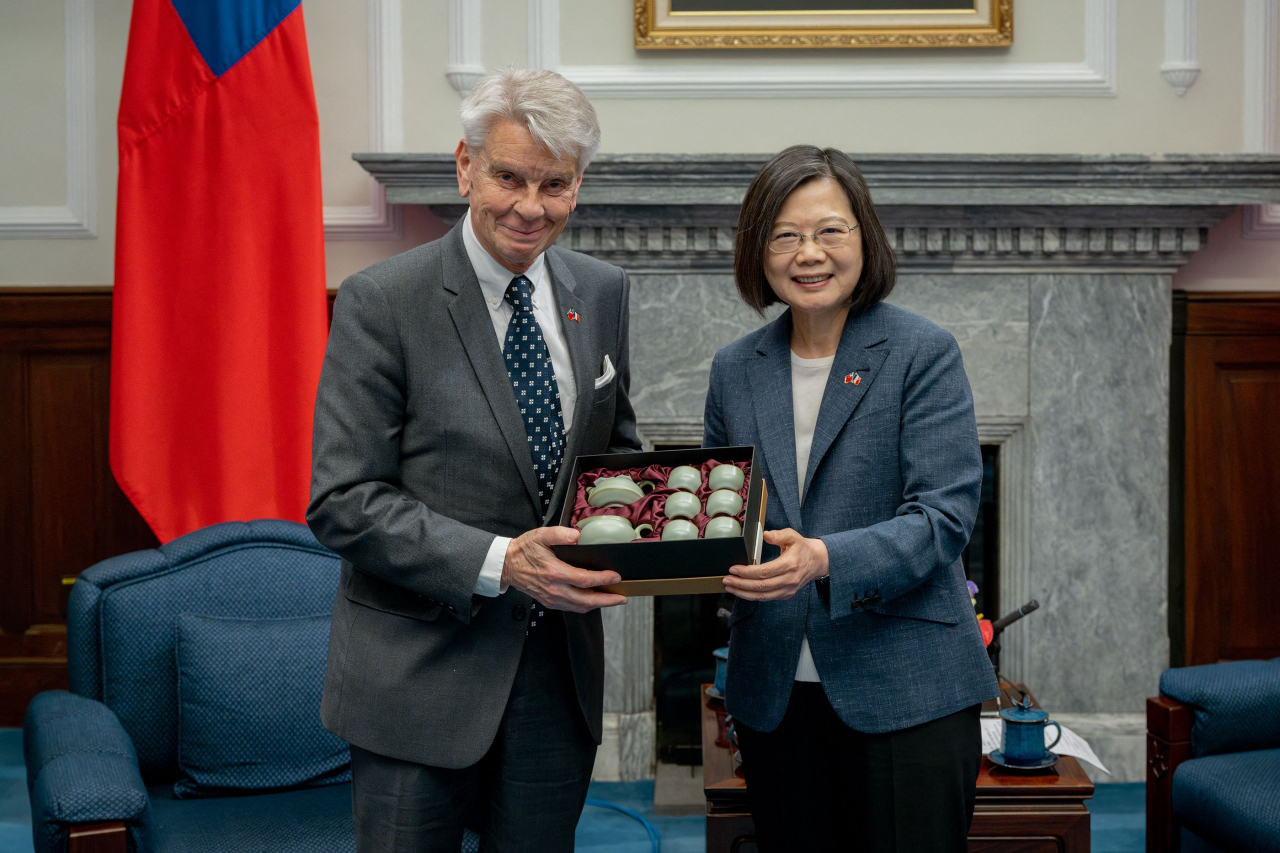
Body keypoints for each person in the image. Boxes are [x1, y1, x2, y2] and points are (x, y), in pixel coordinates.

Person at [307, 68, 641, 853]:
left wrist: (655, 532)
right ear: (465, 166)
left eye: (554, 184)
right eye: (509, 177)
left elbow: (614, 453)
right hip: (417, 678)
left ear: (577, 186)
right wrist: (502, 561)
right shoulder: (382, 300)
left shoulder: (603, 291)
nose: (530, 206)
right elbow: (343, 498)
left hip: (556, 680)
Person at [704, 145, 998, 852]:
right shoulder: (735, 368)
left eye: (830, 230)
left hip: (907, 689)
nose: (809, 253)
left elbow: (944, 516)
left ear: (865, 237)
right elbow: (722, 514)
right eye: (785, 234)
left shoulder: (922, 351)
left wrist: (822, 559)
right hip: (775, 692)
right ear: (758, 250)